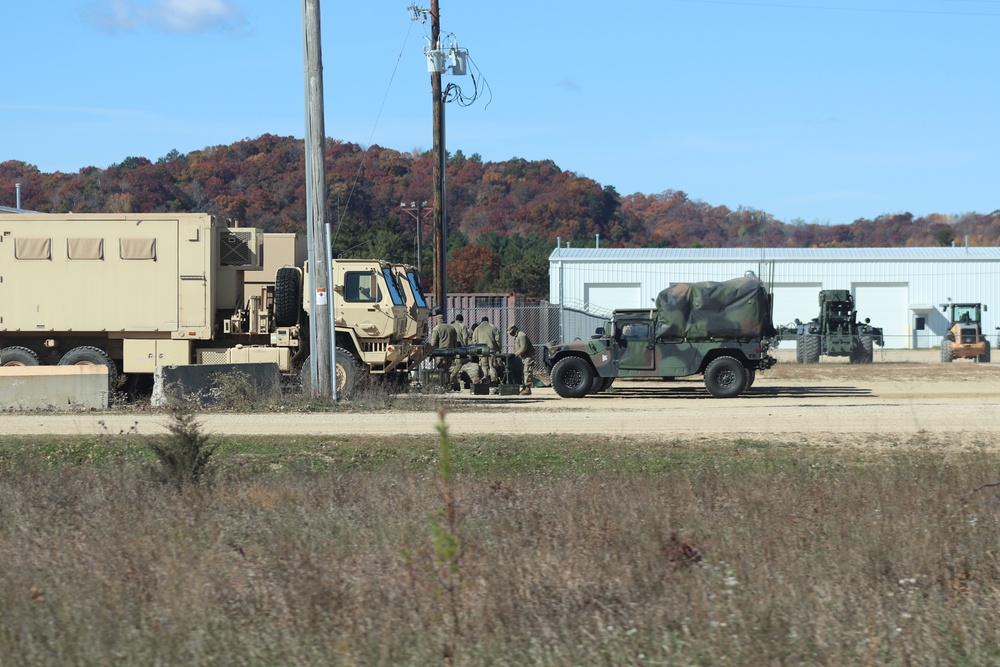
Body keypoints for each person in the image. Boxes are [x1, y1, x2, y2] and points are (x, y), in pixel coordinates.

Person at [430, 314, 459, 390]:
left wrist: (431, 352)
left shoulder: (437, 328)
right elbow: (455, 341)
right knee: (447, 368)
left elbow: (433, 342)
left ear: (436, 320)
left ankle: (441, 384)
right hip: (450, 351)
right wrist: (454, 351)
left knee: (440, 368)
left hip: (440, 352)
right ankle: (447, 384)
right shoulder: (452, 328)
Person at [471, 316, 501, 385]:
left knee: (484, 366)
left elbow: (474, 341)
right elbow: (498, 340)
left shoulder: (477, 329)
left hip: (481, 351)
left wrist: (477, 350)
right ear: (488, 321)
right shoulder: (493, 327)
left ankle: (485, 380)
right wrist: (499, 349)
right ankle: (493, 380)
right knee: (492, 366)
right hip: (491, 350)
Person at [509, 324, 535, 396]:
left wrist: (515, 354)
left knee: (527, 371)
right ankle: (524, 388)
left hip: (528, 356)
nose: (510, 334)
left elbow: (523, 348)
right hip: (523, 356)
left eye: (511, 332)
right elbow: (518, 348)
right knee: (524, 372)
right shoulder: (517, 336)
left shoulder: (521, 335)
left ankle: (527, 389)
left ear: (514, 330)